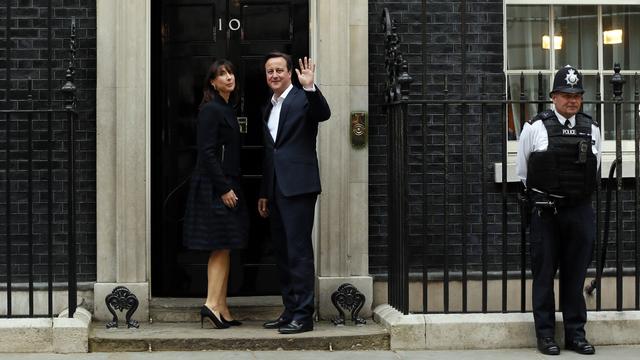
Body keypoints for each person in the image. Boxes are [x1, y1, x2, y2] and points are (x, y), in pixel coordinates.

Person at [516, 65, 601, 355]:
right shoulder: (535, 127)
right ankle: (545, 336)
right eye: (566, 95)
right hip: (547, 212)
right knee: (543, 276)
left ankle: (576, 335)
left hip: (579, 210)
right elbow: (524, 172)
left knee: (575, 276)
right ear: (553, 97)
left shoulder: (592, 128)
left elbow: (595, 168)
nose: (572, 100)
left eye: (576, 95)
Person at [257, 52, 331, 334]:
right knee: (283, 252)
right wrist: (265, 191)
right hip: (276, 188)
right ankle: (290, 310)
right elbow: (270, 153)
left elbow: (323, 114)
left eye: (279, 70)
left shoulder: (302, 98)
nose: (274, 75)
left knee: (298, 251)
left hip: (299, 186)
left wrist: (310, 87)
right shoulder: (269, 106)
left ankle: (304, 314)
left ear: (290, 73)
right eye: (269, 71)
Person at [182, 59, 248, 329]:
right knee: (220, 245)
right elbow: (207, 153)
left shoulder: (226, 108)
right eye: (222, 75)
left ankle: (222, 307)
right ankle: (211, 304)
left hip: (225, 182)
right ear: (212, 81)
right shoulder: (211, 110)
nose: (229, 77)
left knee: (225, 245)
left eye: (231, 72)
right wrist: (223, 189)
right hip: (216, 186)